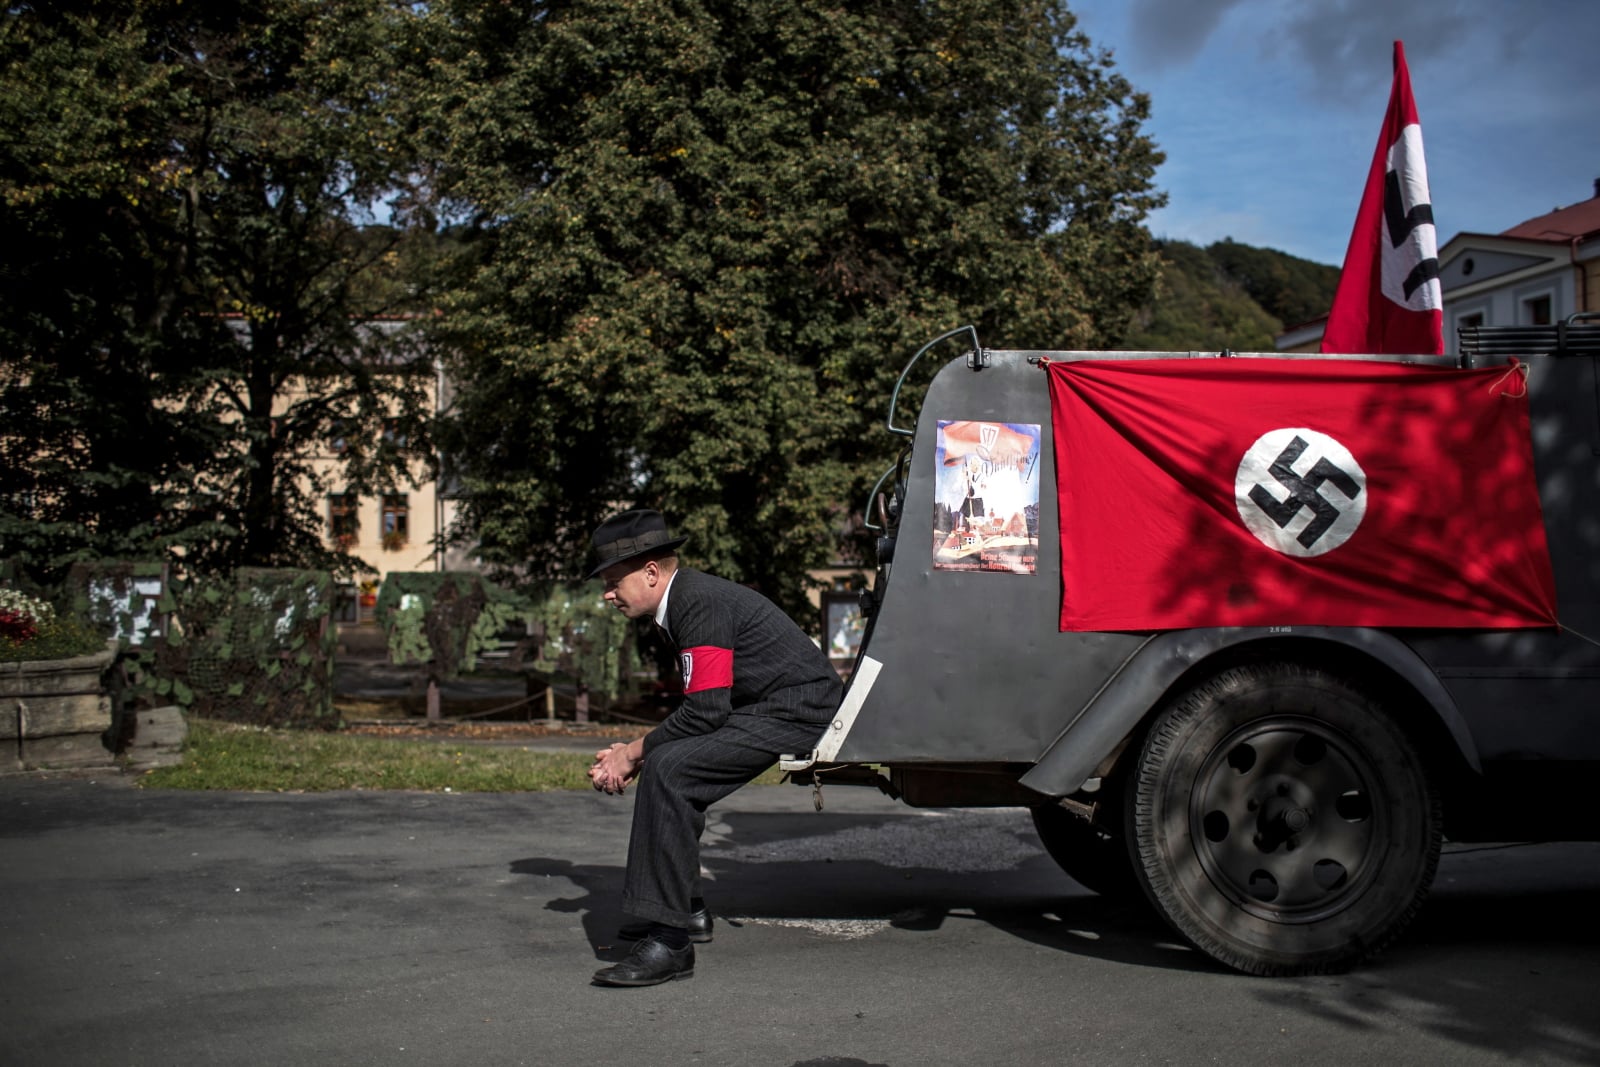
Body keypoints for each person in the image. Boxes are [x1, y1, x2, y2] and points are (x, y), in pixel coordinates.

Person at [584, 509, 843, 987]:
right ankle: (685, 910)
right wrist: (640, 750)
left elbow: (703, 712)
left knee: (670, 770)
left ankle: (671, 943)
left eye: (613, 580)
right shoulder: (681, 602)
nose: (607, 593)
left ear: (651, 573)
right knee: (667, 761)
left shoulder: (695, 602)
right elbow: (705, 705)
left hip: (800, 709)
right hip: (768, 706)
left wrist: (632, 753)